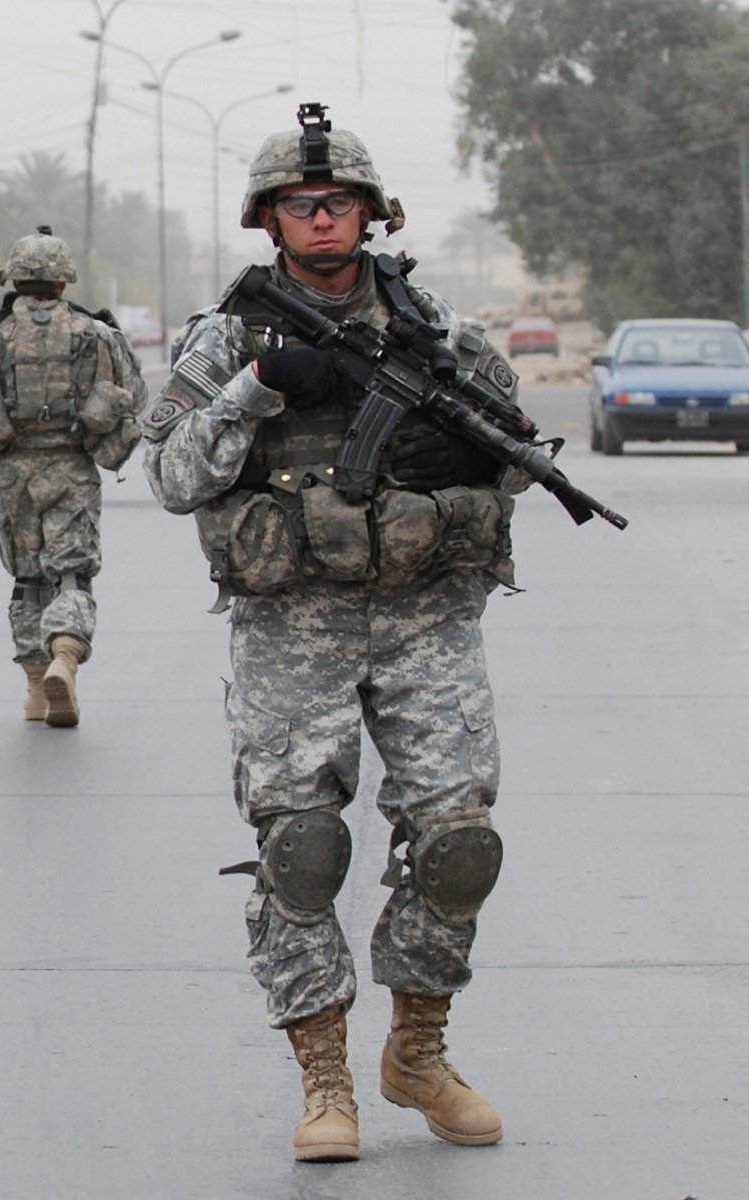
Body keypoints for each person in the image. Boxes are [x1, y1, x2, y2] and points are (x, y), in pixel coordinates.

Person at [142, 103, 521, 1162]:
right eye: (303, 204)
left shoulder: (435, 327)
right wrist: (259, 392)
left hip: (424, 610)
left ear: (369, 213)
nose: (323, 218)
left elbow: (507, 440)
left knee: (459, 841)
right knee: (302, 845)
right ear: (271, 219)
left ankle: (420, 1048)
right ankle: (324, 1079)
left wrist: (459, 470)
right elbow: (170, 475)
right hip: (293, 617)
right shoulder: (229, 337)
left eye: (340, 202)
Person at [0, 227, 147, 725]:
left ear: (15, 279)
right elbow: (135, 396)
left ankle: (35, 690)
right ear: (64, 282)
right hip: (73, 469)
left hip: (12, 474)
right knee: (71, 573)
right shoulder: (98, 336)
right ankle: (65, 658)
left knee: (27, 580)